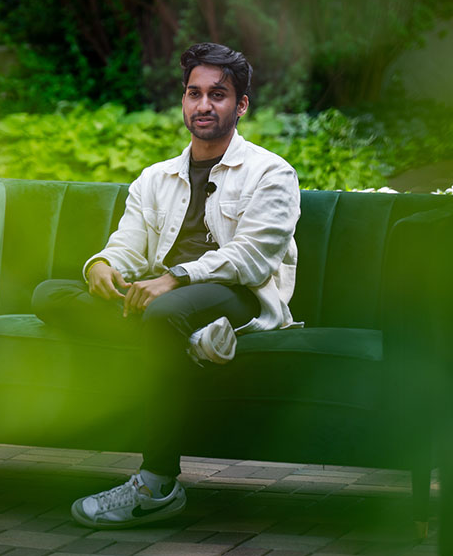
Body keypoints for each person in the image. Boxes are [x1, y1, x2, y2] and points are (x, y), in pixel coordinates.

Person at [32, 42, 302, 529]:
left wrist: (174, 277)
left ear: (240, 105)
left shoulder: (272, 173)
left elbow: (251, 258)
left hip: (234, 292)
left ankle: (156, 485)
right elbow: (128, 243)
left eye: (217, 95)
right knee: (50, 294)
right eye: (194, 93)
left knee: (163, 313)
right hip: (166, 301)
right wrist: (103, 264)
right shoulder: (157, 177)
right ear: (182, 100)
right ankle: (190, 347)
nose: (203, 105)